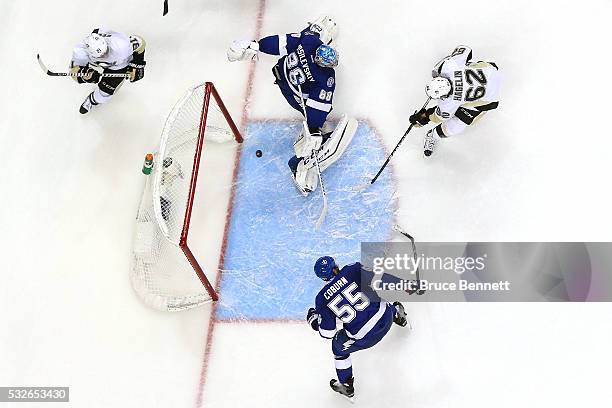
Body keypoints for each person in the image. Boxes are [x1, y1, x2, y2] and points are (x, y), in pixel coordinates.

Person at [227, 16, 357, 196]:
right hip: (296, 96)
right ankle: (300, 163)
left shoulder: (309, 41)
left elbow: (280, 42)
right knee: (318, 116)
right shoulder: (325, 78)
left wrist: (257, 45)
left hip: (283, 78)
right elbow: (317, 107)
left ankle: (310, 138)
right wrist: (314, 129)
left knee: (294, 45)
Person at [307, 256, 409, 399]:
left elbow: (328, 333)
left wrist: (313, 320)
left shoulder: (322, 299)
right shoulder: (352, 269)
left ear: (322, 278)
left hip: (364, 338)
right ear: (335, 266)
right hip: (386, 318)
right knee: (379, 302)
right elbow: (380, 279)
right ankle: (398, 315)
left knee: (338, 348)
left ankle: (346, 385)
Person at [409, 45, 501, 156]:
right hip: (492, 71)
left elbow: (438, 117)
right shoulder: (449, 67)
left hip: (490, 98)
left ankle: (431, 135)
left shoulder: (451, 101)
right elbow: (466, 49)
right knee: (471, 67)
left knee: (455, 126)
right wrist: (448, 64)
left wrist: (423, 117)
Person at [70, 28, 146, 114]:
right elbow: (74, 72)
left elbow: (140, 42)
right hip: (100, 62)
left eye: (106, 51)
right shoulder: (80, 51)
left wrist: (137, 65)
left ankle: (92, 100)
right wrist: (85, 76)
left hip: (119, 65)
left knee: (104, 93)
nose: (105, 55)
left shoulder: (121, 45)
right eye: (101, 55)